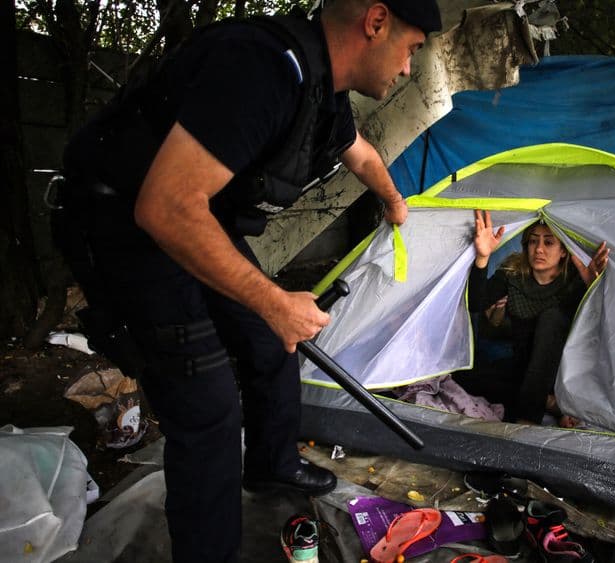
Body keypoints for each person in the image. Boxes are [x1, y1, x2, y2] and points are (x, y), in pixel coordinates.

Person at [55, 1, 442, 562]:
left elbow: (359, 155)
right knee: (209, 410)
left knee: (270, 340)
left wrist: (394, 202)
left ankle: (271, 464)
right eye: (411, 49)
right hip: (128, 227)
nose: (408, 68)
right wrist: (275, 301)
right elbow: (165, 208)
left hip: (195, 215)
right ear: (376, 22)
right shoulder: (260, 68)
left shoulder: (323, 90)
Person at [465, 210, 609, 427]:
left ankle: (529, 416)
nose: (539, 249)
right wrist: (483, 257)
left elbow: (597, 330)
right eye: (533, 241)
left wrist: (592, 289)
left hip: (561, 373)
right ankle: (549, 403)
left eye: (548, 242)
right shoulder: (512, 274)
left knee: (552, 317)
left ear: (563, 251)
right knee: (464, 377)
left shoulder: (575, 280)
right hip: (522, 368)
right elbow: (476, 303)